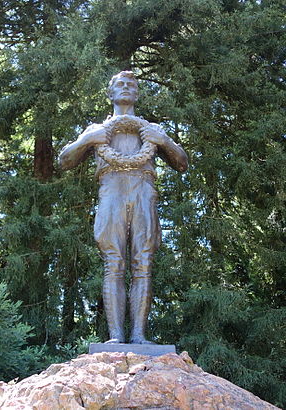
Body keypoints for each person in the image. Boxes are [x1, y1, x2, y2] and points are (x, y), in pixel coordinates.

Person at [59, 71, 188, 344]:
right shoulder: (97, 130)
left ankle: (140, 336)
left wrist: (164, 140)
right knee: (113, 263)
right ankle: (116, 336)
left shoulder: (151, 130)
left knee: (143, 262)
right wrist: (86, 140)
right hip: (111, 190)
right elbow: (64, 161)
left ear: (137, 94)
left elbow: (182, 162)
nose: (126, 87)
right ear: (111, 93)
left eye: (132, 84)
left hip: (143, 190)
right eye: (120, 84)